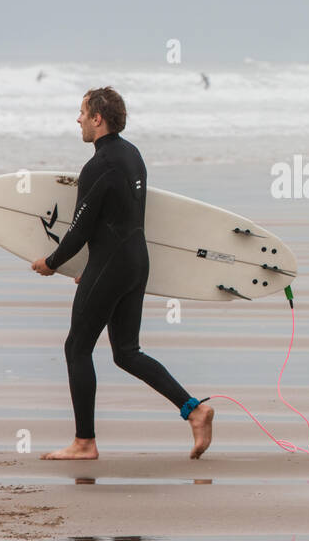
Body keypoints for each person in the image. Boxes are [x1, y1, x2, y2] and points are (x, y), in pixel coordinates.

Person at [29, 87, 214, 460]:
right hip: (135, 262)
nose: (77, 119)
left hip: (112, 265)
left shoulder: (98, 166)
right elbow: (120, 218)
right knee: (126, 352)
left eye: (82, 112)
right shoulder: (133, 156)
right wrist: (95, 269)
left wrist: (52, 263)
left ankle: (84, 443)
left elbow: (80, 228)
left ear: (98, 118)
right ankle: (194, 410)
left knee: (76, 348)